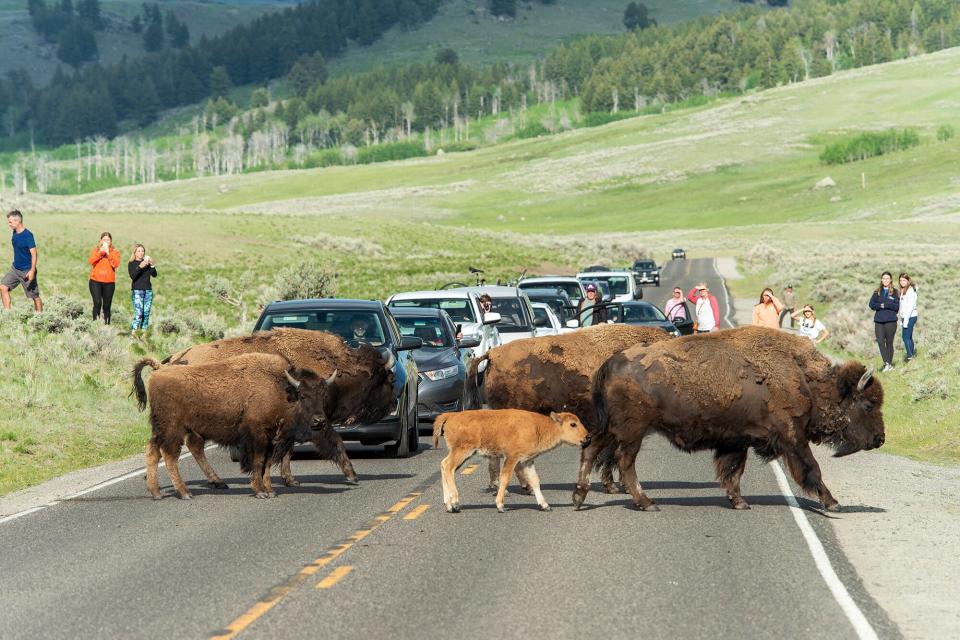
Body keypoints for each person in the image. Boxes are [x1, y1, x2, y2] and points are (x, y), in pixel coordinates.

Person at [1, 210, 42, 312]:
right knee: (3, 287)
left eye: (10, 222)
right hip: (15, 269)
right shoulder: (15, 232)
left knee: (35, 297)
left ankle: (40, 318)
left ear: (17, 221)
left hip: (27, 271)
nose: (9, 224)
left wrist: (32, 271)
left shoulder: (28, 235)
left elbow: (34, 254)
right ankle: (7, 314)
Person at [868, 271, 900, 372]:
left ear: (890, 280)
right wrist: (881, 305)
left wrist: (885, 304)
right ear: (881, 280)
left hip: (891, 321)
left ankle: (889, 365)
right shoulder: (876, 292)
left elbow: (896, 307)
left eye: (887, 278)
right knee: (881, 342)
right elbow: (871, 304)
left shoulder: (895, 292)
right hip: (879, 321)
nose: (885, 280)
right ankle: (887, 363)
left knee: (889, 343)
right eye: (884, 278)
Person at [88, 232, 121, 324]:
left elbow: (115, 264)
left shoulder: (115, 252)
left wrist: (108, 253)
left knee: (107, 306)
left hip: (109, 282)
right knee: (97, 303)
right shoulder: (96, 250)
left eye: (108, 240)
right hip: (95, 281)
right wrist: (101, 253)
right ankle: (95, 325)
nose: (106, 241)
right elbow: (91, 261)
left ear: (111, 241)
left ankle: (106, 325)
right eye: (104, 239)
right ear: (101, 241)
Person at [129, 244, 157, 336]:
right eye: (139, 251)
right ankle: (133, 334)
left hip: (148, 291)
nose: (141, 253)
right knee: (139, 314)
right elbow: (133, 276)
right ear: (135, 253)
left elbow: (154, 275)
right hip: (137, 291)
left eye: (142, 251)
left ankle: (143, 334)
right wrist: (140, 267)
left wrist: (152, 266)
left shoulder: (147, 263)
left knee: (146, 314)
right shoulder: (132, 263)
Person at [898, 273, 918, 363]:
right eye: (901, 280)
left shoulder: (910, 291)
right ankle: (912, 354)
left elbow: (910, 307)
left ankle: (910, 357)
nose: (902, 282)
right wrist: (901, 318)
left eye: (904, 280)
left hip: (911, 316)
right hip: (904, 317)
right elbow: (902, 306)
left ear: (908, 280)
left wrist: (905, 320)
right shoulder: (902, 290)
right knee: (908, 336)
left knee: (905, 337)